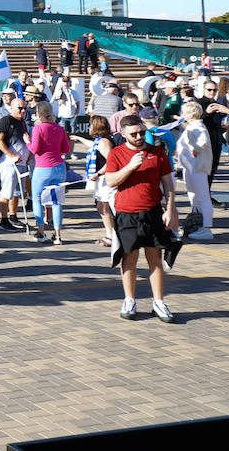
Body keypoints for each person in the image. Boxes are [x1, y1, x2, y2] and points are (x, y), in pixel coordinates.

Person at [105, 115, 179, 323]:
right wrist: (130, 166)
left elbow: (168, 184)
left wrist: (170, 210)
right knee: (129, 258)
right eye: (133, 134)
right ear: (123, 134)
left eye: (141, 133)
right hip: (126, 212)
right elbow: (110, 181)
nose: (139, 137)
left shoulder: (156, 152)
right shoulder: (116, 153)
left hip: (153, 211)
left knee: (155, 258)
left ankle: (158, 301)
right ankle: (129, 300)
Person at [26, 102, 72, 244]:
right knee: (57, 202)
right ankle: (57, 235)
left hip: (43, 168)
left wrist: (27, 141)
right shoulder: (59, 128)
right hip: (59, 167)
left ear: (39, 114)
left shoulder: (38, 128)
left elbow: (35, 149)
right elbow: (65, 149)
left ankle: (41, 231)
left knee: (38, 199)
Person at [176, 101, 215, 242]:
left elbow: (202, 141)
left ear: (191, 114)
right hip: (189, 168)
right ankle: (196, 223)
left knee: (202, 196)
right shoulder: (192, 126)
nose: (182, 115)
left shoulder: (198, 126)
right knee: (194, 196)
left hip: (197, 168)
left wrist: (195, 147)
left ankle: (206, 227)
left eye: (184, 112)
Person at [0, 96, 30, 232]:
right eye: (20, 108)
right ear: (12, 108)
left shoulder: (22, 122)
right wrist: (12, 155)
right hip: (8, 163)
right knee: (7, 191)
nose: (23, 111)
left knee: (18, 192)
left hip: (21, 163)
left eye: (25, 108)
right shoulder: (6, 120)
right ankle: (4, 219)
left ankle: (13, 216)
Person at [86, 116, 118, 246]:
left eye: (91, 125)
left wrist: (98, 173)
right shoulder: (99, 141)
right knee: (101, 206)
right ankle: (110, 234)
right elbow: (92, 145)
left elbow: (111, 161)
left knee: (105, 207)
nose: (89, 128)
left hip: (106, 178)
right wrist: (78, 138)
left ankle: (112, 235)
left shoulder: (104, 142)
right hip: (101, 179)